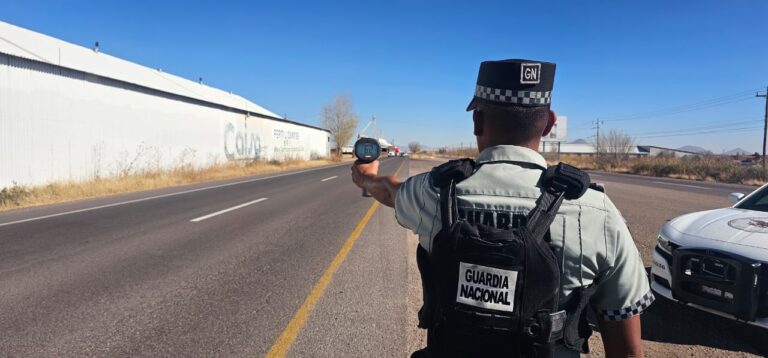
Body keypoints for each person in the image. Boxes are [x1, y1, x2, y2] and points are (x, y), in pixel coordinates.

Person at [351, 59, 653, 357]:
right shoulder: (597, 212)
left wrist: (366, 176)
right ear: (548, 123)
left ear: (476, 121)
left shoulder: (434, 191)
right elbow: (626, 348)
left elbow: (390, 192)